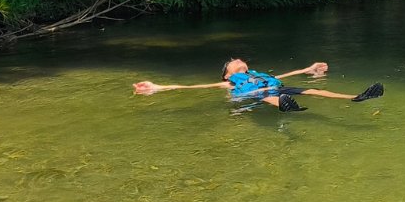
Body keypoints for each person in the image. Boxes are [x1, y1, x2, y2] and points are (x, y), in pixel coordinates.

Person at [132, 58, 384, 112]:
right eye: (233, 62)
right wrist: (157, 86)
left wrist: (308, 70)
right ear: (227, 75)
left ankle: (357, 97)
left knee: (315, 90)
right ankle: (285, 106)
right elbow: (191, 88)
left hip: (274, 88)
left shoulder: (255, 73)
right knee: (264, 95)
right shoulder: (230, 85)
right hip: (255, 96)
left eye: (240, 60)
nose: (238, 61)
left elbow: (286, 72)